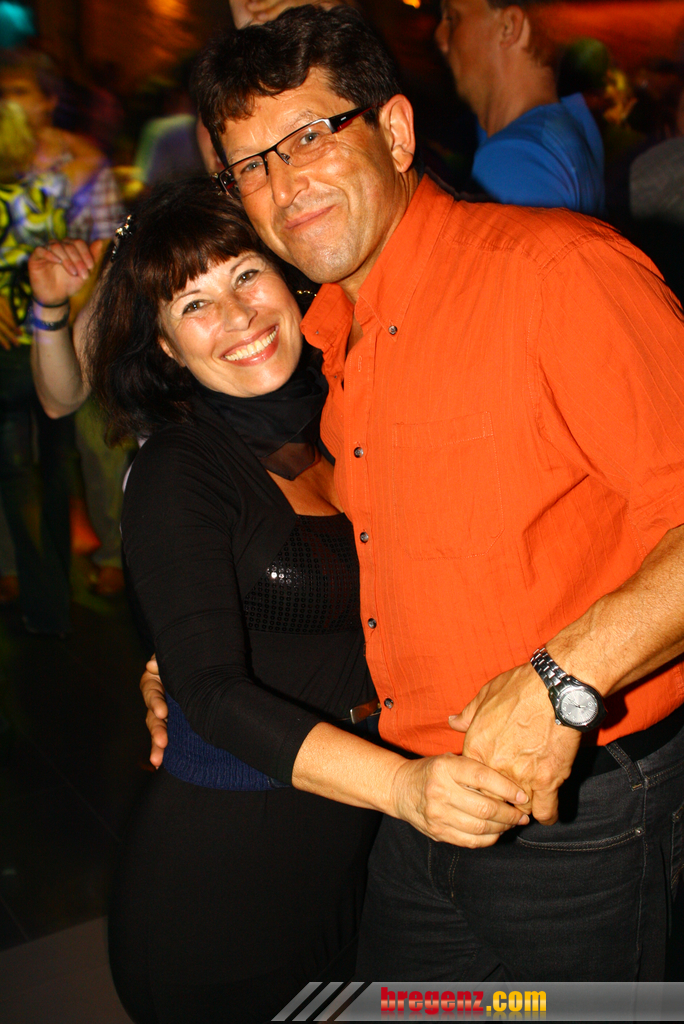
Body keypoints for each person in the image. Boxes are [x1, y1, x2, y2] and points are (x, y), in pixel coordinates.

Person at [139, 5, 684, 983]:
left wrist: (565, 676)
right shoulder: (333, 344)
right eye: (251, 165)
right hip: (415, 809)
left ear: (393, 132)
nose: (284, 185)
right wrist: (198, 646)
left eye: (310, 136)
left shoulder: (556, 273)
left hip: (577, 814)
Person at [30, 176, 528, 1021]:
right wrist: (405, 788)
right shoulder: (180, 467)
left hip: (354, 868)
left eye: (245, 275)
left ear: (289, 279)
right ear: (164, 347)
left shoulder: (349, 413)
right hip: (226, 893)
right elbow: (211, 690)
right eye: (194, 304)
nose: (238, 316)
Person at [0, 49, 128, 597]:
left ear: (49, 100)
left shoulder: (85, 164)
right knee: (12, 455)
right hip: (10, 333)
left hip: (81, 321)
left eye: (20, 92)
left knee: (100, 443)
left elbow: (107, 248)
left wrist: (72, 321)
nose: (8, 104)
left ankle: (116, 553)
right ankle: (12, 565)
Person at [435, 0, 605, 213]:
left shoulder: (515, 159)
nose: (440, 37)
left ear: (509, 26)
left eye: (452, 18)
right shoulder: (575, 125)